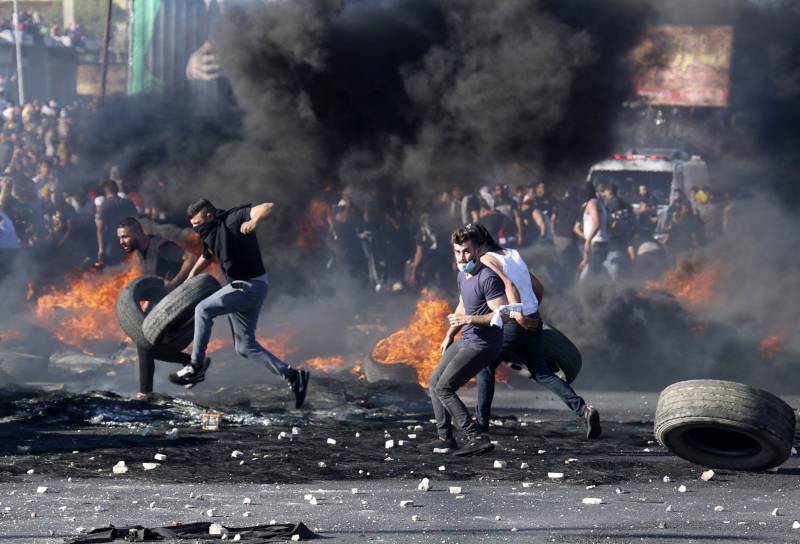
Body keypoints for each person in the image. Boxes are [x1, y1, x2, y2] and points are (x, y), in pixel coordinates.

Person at [169, 198, 310, 408]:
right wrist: (191, 275)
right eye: (192, 225)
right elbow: (207, 255)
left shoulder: (232, 219)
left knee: (203, 309)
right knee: (245, 346)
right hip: (243, 287)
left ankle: (196, 366)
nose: (195, 229)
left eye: (197, 224)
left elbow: (268, 206)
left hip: (249, 285)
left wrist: (254, 222)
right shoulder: (210, 233)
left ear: (209, 215)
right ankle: (293, 376)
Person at [472, 225, 601, 439]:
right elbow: (539, 288)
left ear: (477, 246)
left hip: (514, 321)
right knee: (542, 372)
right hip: (533, 320)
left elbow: (508, 286)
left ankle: (482, 423)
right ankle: (583, 410)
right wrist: (531, 314)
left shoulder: (486, 260)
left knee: (485, 366)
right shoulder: (512, 254)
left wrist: (518, 316)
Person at [427, 224, 509, 457]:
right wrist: (449, 335)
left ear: (477, 250)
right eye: (458, 252)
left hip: (484, 345)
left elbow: (501, 313)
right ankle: (445, 438)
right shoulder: (463, 275)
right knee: (434, 382)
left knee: (445, 387)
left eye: (466, 251)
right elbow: (463, 305)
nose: (462, 257)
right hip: (467, 339)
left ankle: (476, 437)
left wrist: (469, 318)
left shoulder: (488, 277)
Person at [117, 217, 197, 398]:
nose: (122, 242)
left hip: (180, 303)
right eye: (120, 238)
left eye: (125, 237)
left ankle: (147, 390)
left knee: (146, 345)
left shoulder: (160, 246)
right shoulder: (141, 252)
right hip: (162, 304)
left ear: (138, 233)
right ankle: (147, 390)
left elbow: (190, 258)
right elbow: (152, 288)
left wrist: (173, 284)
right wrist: (137, 320)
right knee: (143, 342)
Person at [96, 180, 137, 266]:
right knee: (130, 265)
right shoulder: (127, 202)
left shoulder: (105, 205)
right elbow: (137, 221)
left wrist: (101, 248)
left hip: (113, 242)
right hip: (130, 239)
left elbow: (100, 228)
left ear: (105, 191)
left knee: (115, 267)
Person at [574, 182, 609, 281]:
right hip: (600, 242)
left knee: (592, 275)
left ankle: (594, 294)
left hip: (596, 243)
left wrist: (588, 240)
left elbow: (597, 223)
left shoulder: (592, 203)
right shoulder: (600, 204)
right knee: (594, 271)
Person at [600, 183, 635, 280]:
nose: (603, 194)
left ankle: (614, 288)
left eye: (605, 191)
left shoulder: (609, 204)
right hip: (625, 238)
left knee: (612, 267)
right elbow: (632, 217)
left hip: (613, 239)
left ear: (609, 192)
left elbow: (608, 221)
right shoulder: (625, 204)